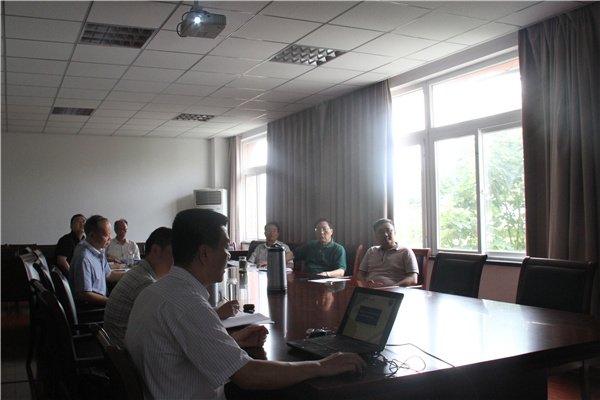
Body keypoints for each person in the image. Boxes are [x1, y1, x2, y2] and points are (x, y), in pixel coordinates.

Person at [125, 209, 365, 399]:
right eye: (224, 247)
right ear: (204, 253)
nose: (229, 254)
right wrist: (322, 365)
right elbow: (250, 376)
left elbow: (179, 348)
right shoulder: (189, 305)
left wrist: (232, 340)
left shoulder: (154, 292)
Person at [69, 215, 125, 306]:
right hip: (90, 306)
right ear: (92, 235)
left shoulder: (98, 249)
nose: (110, 238)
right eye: (106, 235)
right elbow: (84, 294)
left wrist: (131, 274)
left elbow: (109, 275)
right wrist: (113, 303)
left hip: (101, 299)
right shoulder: (84, 258)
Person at [357, 218, 418, 287]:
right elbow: (360, 274)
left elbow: (413, 278)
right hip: (370, 289)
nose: (385, 234)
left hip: (394, 290)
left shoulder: (405, 251)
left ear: (394, 232)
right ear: (376, 236)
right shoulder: (371, 251)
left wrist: (392, 288)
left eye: (388, 230)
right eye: (381, 232)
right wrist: (365, 284)